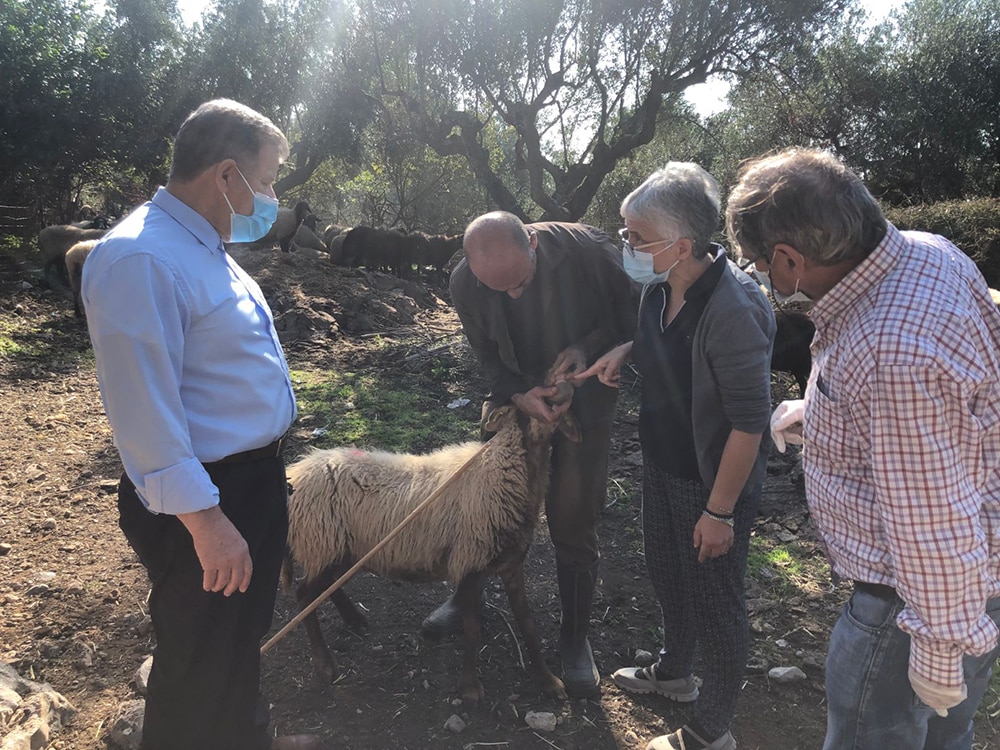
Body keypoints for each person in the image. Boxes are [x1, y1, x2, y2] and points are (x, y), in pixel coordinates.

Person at [726, 146, 1000, 750]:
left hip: (910, 611)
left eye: (758, 264)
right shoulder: (930, 252)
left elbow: (931, 518)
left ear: (791, 260)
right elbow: (965, 407)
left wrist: (936, 645)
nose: (761, 278)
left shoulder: (886, 352)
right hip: (972, 585)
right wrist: (823, 414)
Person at [82, 100, 321, 750]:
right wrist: (208, 524)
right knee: (196, 668)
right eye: (267, 180)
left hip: (248, 486)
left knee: (234, 649)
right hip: (209, 501)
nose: (271, 197)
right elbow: (143, 412)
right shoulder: (142, 259)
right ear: (226, 176)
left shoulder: (200, 247)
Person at [570, 163, 775, 750]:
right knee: (667, 571)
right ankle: (676, 672)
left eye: (636, 236)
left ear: (682, 245)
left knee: (716, 599)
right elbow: (674, 343)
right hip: (662, 461)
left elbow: (748, 423)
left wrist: (720, 513)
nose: (627, 246)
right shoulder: (661, 283)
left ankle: (712, 729)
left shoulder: (735, 310)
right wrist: (626, 349)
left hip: (711, 479)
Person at [426, 211, 637, 697]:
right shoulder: (465, 281)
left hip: (586, 397)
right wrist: (519, 394)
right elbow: (486, 357)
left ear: (534, 246)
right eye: (496, 289)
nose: (511, 295)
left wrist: (584, 349)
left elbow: (629, 316)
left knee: (572, 516)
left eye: (518, 283)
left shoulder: (590, 252)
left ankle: (574, 638)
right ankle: (465, 597)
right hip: (516, 402)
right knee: (485, 509)